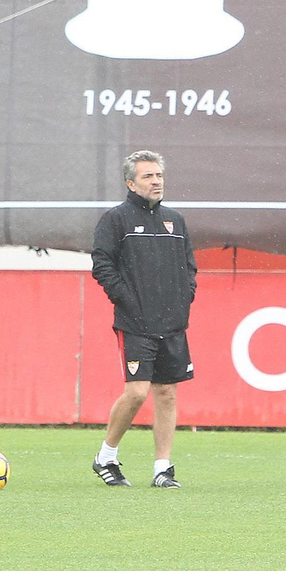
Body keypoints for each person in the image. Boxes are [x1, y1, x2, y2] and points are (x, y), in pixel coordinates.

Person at [90, 150, 198, 488]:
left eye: (159, 175)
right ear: (130, 182)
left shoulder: (175, 221)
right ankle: (106, 455)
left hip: (172, 322)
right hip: (136, 323)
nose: (156, 181)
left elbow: (190, 266)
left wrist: (184, 297)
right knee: (137, 392)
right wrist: (127, 298)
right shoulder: (116, 220)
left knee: (166, 393)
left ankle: (162, 469)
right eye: (148, 176)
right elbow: (102, 265)